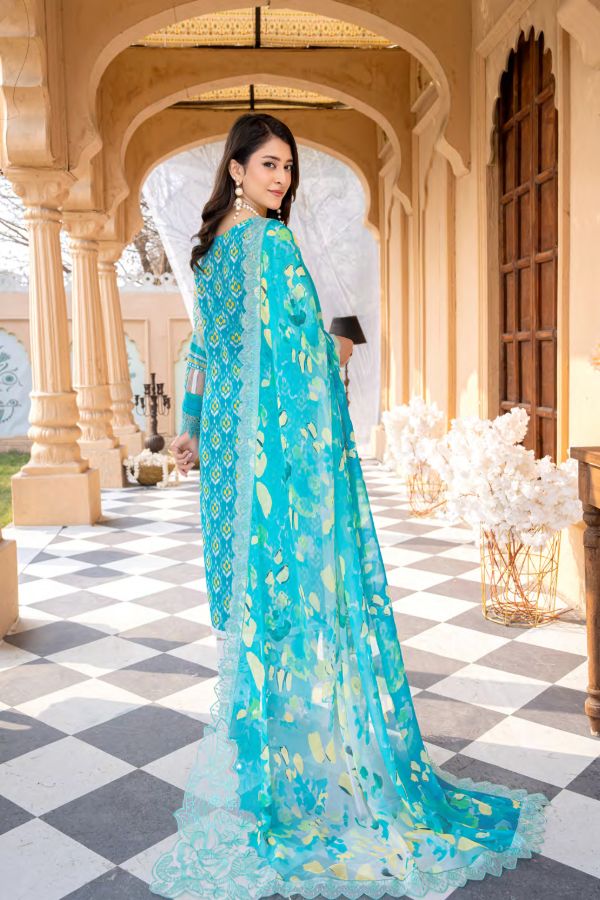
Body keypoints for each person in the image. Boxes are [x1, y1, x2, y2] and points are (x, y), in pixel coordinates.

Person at [150, 113, 548, 899]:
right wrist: (337, 350)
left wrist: (189, 427)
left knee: (260, 608)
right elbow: (301, 349)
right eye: (268, 164)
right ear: (236, 169)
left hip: (229, 453)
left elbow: (202, 348)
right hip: (275, 457)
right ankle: (309, 773)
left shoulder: (210, 250)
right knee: (301, 599)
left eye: (287, 167)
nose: (281, 178)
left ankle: (276, 776)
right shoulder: (269, 244)